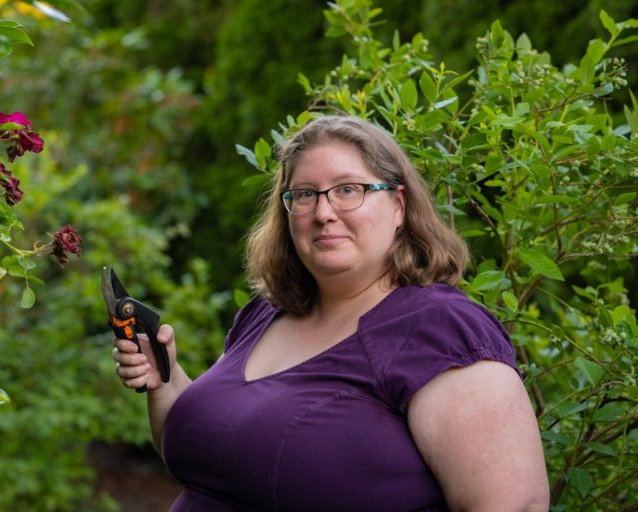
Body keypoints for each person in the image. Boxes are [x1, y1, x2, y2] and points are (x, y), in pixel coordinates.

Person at [112, 114, 550, 511]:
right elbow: (211, 457)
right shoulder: (266, 315)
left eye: (348, 190)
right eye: (304, 195)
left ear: (398, 206)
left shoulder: (443, 330)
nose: (324, 213)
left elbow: (516, 504)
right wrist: (163, 383)